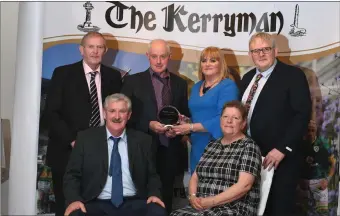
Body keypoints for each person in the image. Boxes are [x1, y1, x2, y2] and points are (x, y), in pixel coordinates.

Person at [44, 32, 122, 216]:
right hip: (67, 152)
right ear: (81, 50)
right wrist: (73, 140)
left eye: (99, 47)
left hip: (102, 155)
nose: (95, 51)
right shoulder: (62, 73)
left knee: (97, 207)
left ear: (105, 50)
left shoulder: (114, 77)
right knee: (67, 207)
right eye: (90, 46)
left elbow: (118, 114)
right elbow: (51, 113)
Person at [240, 32, 312, 215]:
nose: (261, 54)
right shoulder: (247, 79)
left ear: (275, 51)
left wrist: (282, 149)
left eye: (266, 49)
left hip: (281, 159)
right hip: (251, 157)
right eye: (256, 50)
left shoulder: (293, 75)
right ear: (250, 54)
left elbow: (301, 115)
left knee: (278, 209)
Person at [63, 93, 167, 216]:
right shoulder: (85, 139)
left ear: (129, 115)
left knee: (157, 212)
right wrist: (74, 199)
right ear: (105, 113)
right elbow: (72, 175)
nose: (117, 116)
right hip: (95, 203)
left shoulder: (144, 141)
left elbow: (152, 175)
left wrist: (154, 194)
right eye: (112, 111)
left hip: (134, 202)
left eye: (122, 111)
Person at [121, 39, 190, 214]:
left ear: (170, 57)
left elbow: (182, 113)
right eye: (154, 56)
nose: (158, 61)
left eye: (163, 56)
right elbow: (123, 115)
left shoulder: (180, 84)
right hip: (141, 149)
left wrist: (180, 124)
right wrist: (148, 124)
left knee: (165, 198)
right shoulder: (132, 82)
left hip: (170, 150)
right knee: (138, 198)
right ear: (147, 56)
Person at [171, 100, 262, 216]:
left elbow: (244, 185)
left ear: (243, 123)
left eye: (235, 118)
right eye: (225, 116)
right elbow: (195, 176)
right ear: (220, 120)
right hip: (202, 207)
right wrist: (193, 197)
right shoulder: (212, 144)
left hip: (234, 208)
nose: (229, 121)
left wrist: (211, 201)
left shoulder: (249, 147)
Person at [172, 46, 239, 173]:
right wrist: (186, 122)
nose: (207, 64)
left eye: (213, 60)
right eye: (204, 60)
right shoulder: (197, 86)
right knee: (195, 189)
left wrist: (191, 127)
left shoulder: (228, 86)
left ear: (221, 64)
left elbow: (225, 119)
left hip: (219, 148)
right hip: (197, 146)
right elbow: (196, 115)